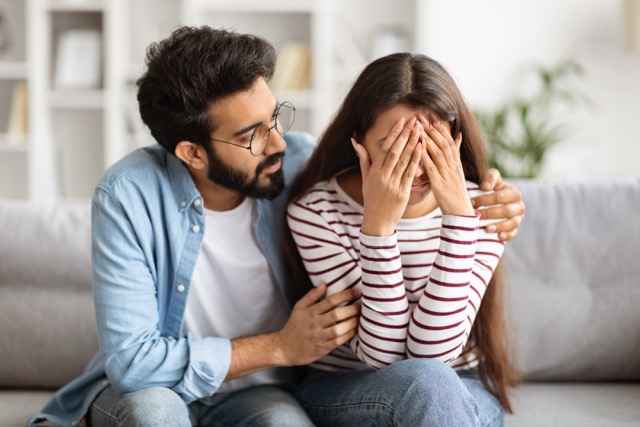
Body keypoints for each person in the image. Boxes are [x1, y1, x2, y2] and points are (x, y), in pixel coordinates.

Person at [30, 27, 524, 427]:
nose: (277, 144)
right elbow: (134, 364)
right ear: (192, 152)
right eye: (251, 136)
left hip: (265, 391)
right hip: (158, 387)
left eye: (275, 118)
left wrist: (488, 200)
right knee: (155, 413)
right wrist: (280, 346)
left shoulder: (303, 163)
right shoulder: (126, 196)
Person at [284, 52, 520, 427]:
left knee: (434, 384)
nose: (416, 163)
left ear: (455, 140)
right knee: (428, 385)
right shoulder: (316, 211)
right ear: (358, 141)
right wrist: (378, 227)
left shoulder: (487, 208)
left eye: (431, 144)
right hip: (347, 383)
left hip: (460, 383)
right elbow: (380, 357)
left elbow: (434, 355)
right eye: (395, 145)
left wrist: (459, 217)